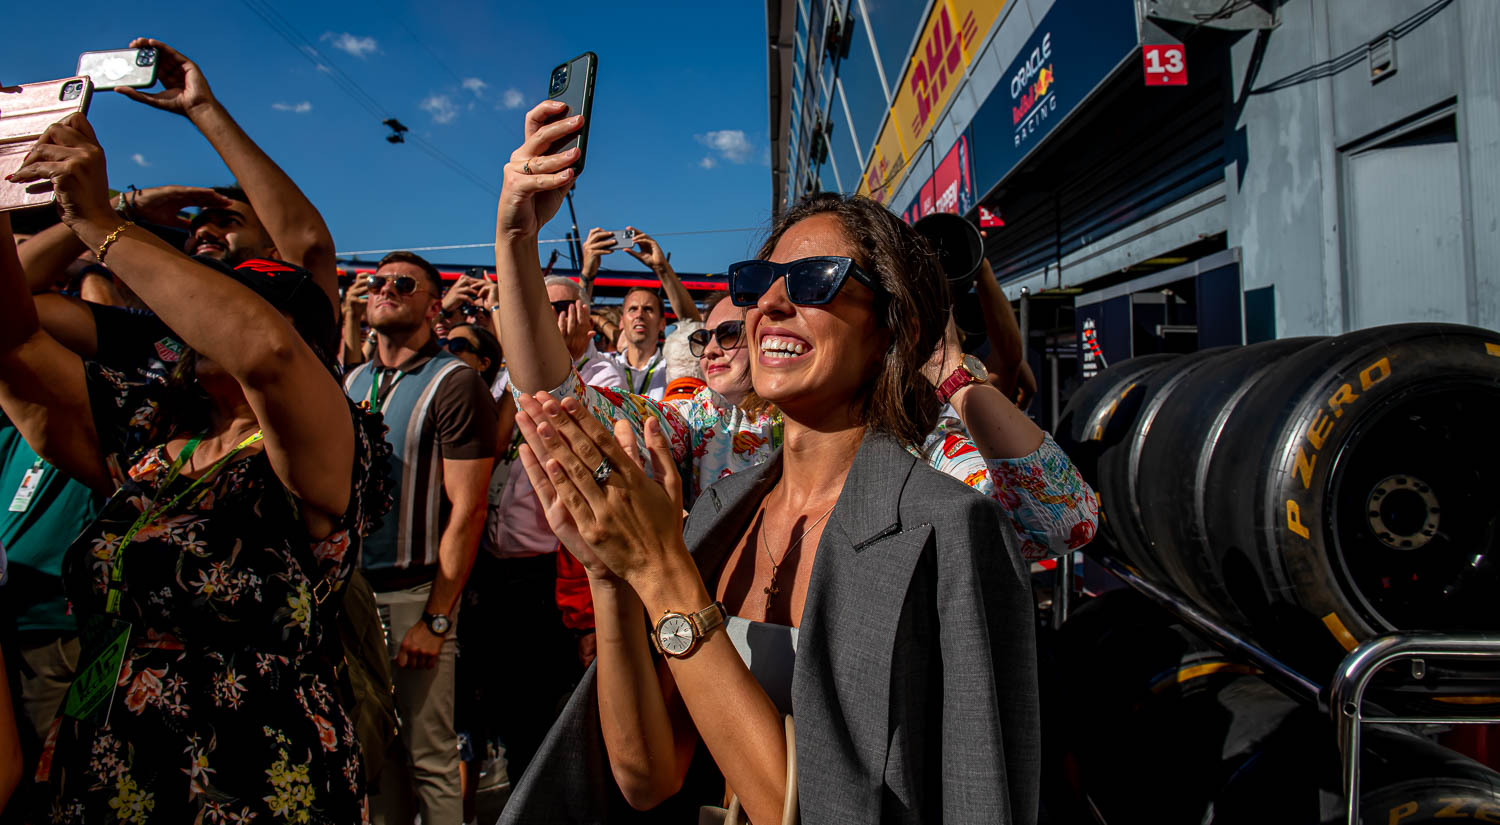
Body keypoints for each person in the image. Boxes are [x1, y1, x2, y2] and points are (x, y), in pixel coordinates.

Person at [488, 102, 1092, 823]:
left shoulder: (942, 509)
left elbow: (1067, 518)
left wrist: (951, 372)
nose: (769, 304)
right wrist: (515, 237)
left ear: (894, 325)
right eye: (756, 282)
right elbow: (562, 409)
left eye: (814, 280)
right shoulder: (722, 505)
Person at [2, 114, 388, 822]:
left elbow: (265, 352)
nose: (201, 318)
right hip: (109, 758)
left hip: (248, 776)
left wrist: (103, 224)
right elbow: (11, 336)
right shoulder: (152, 437)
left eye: (238, 301)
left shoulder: (329, 443)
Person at [342, 250, 496, 825]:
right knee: (373, 755)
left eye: (403, 284)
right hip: (354, 593)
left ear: (435, 308)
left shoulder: (454, 382)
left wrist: (435, 619)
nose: (385, 289)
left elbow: (469, 509)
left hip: (416, 595)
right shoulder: (354, 380)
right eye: (378, 282)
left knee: (429, 760)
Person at [481, 274, 625, 782]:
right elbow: (494, 442)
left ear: (584, 315)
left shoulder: (604, 373)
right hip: (500, 565)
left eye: (559, 306)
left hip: (557, 572)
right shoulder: (507, 375)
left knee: (553, 715)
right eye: (536, 305)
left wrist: (559, 361)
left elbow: (583, 448)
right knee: (512, 709)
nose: (546, 315)